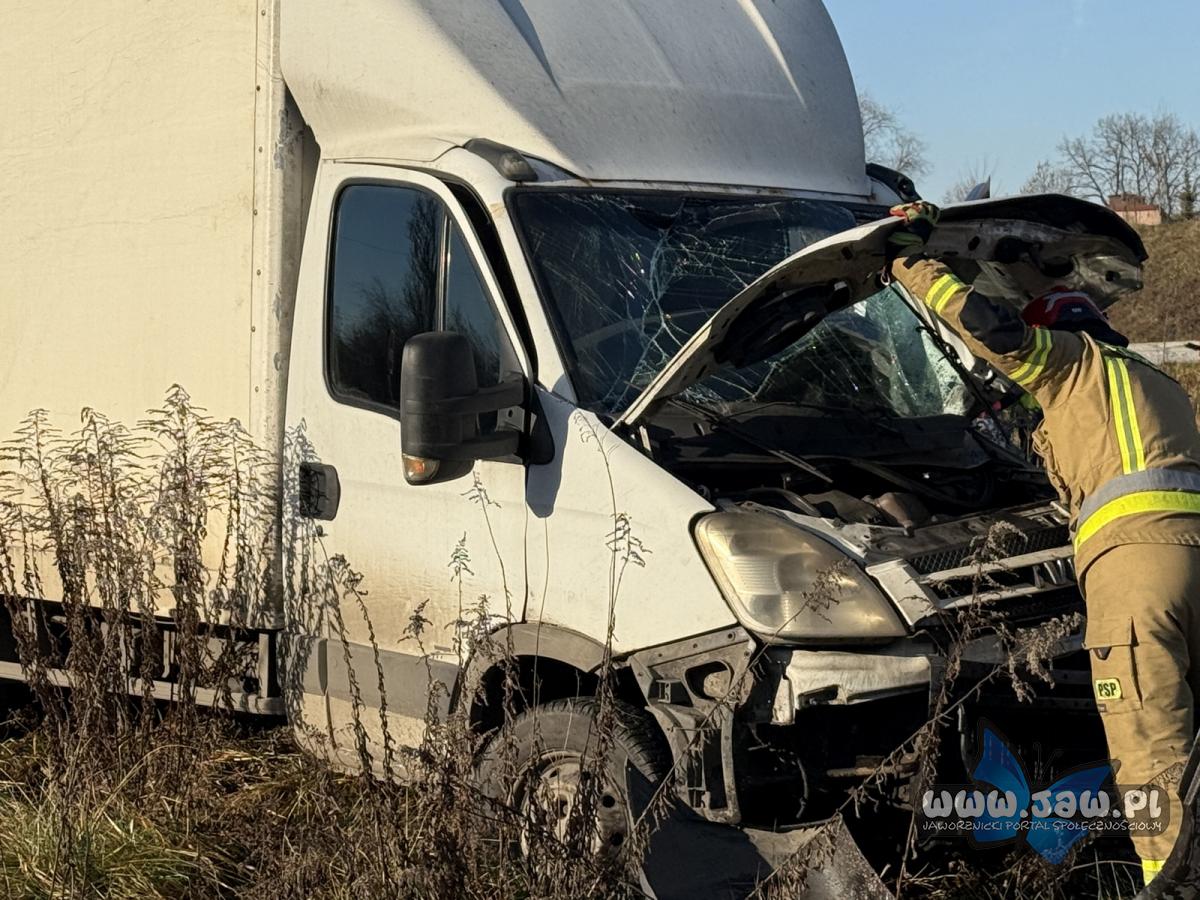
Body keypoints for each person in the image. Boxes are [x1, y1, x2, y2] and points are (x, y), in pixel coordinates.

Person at [888, 201, 1200, 883]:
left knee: (1149, 743)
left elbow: (987, 327)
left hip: (1137, 571)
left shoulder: (1069, 363)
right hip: (1190, 559)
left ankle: (1170, 884)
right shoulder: (1154, 382)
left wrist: (910, 262)